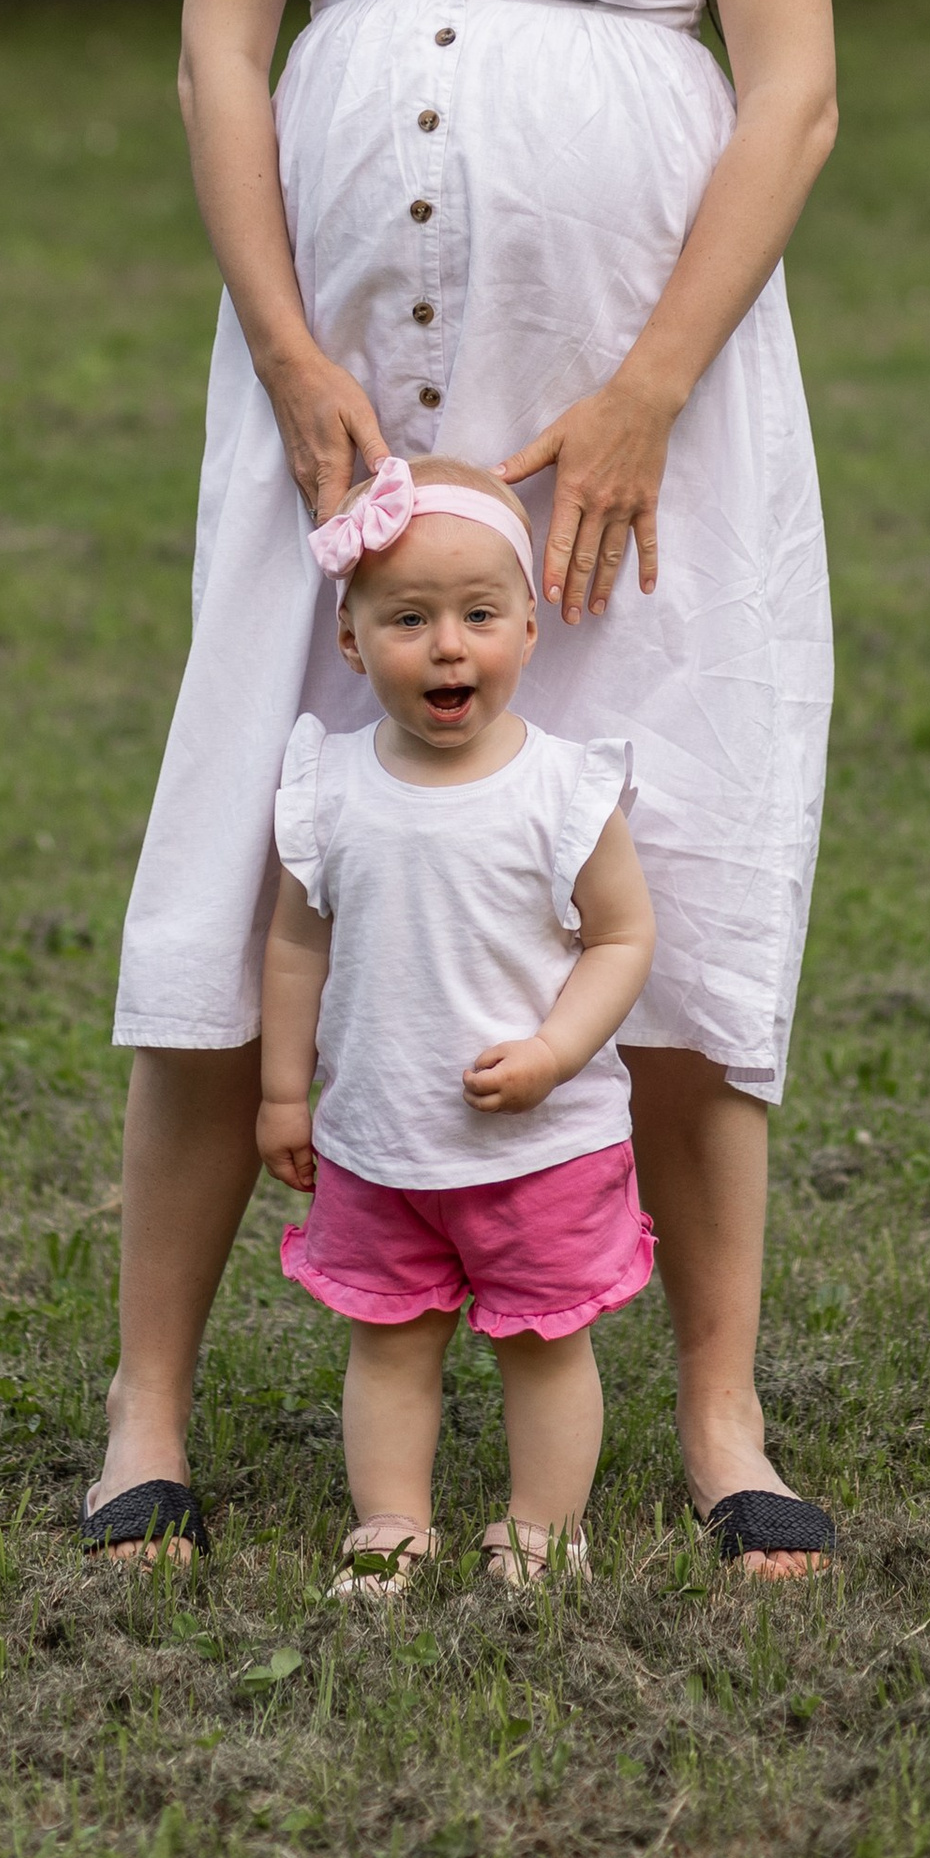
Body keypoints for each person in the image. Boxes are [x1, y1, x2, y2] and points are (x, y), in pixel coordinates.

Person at [89, 0, 860, 1579]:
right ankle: (143, 1409)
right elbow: (223, 38)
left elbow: (794, 84)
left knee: (672, 837)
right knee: (252, 825)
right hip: (334, 393)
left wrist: (643, 391)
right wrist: (287, 345)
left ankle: (717, 1417)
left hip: (629, 395)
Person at [260, 452, 657, 1593]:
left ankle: (542, 1528)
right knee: (388, 1342)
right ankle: (390, 1522)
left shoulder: (563, 791)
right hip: (381, 1142)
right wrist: (286, 1091)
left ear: (529, 630)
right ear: (350, 639)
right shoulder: (327, 788)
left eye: (480, 615)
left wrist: (553, 1052)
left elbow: (621, 939)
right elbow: (297, 943)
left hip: (541, 1146)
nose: (448, 645)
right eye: (409, 619)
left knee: (543, 1342)